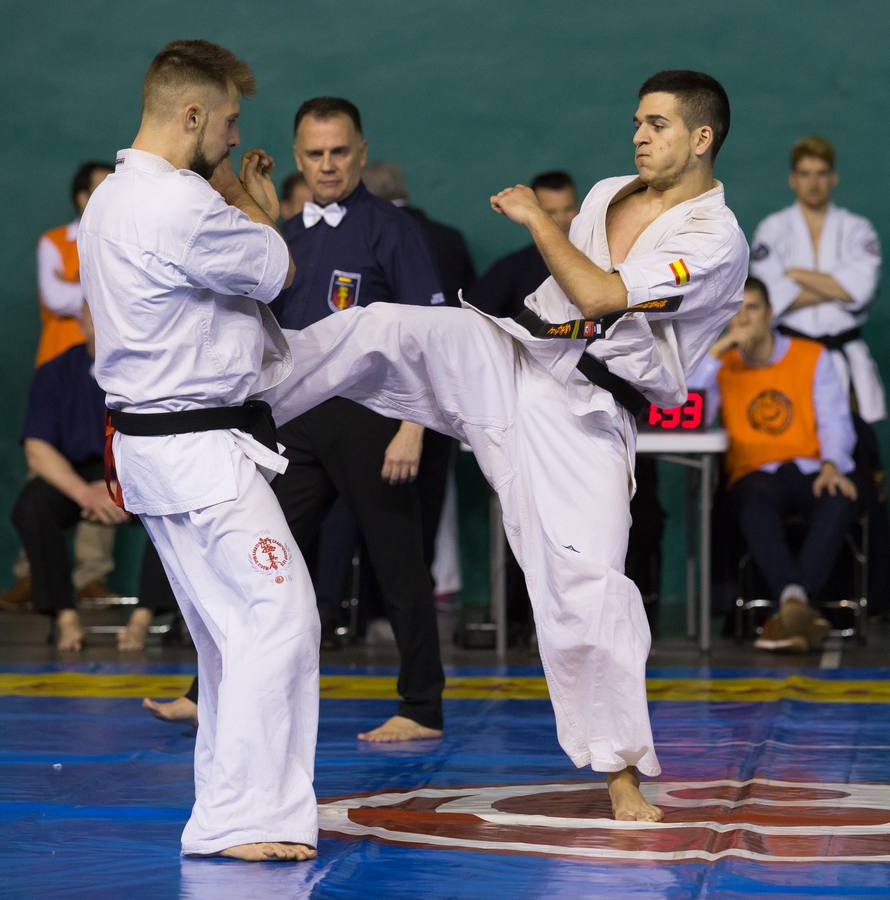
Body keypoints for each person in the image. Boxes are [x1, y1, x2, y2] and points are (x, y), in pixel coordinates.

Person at [259, 70, 749, 822]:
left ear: (702, 137)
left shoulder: (714, 239)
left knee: (586, 588)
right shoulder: (610, 190)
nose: (639, 136)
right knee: (383, 325)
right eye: (637, 122)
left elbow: (599, 296)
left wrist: (534, 218)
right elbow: (562, 300)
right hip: (515, 358)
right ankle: (242, 402)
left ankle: (621, 773)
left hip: (586, 416)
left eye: (656, 124)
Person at [78, 40, 318, 862]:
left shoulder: (108, 198)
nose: (231, 136)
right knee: (280, 617)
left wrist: (231, 201)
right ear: (191, 115)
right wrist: (252, 206)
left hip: (159, 448)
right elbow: (278, 266)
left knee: (231, 635)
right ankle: (238, 819)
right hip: (198, 451)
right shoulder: (182, 205)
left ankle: (231, 810)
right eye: (227, 121)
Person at [696, 277, 857, 652]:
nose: (744, 319)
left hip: (810, 468)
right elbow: (690, 411)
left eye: (752, 308)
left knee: (839, 498)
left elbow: (835, 420)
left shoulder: (812, 356)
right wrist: (717, 352)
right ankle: (801, 610)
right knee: (752, 503)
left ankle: (790, 607)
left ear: (769, 313)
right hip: (754, 474)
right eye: (734, 311)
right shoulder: (722, 364)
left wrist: (833, 464)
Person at [11, 302, 177, 651]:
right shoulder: (55, 372)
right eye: (94, 317)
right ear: (81, 321)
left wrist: (118, 484)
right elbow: (38, 450)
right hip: (79, 476)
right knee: (33, 506)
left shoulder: (151, 371)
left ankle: (142, 619)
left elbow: (166, 443)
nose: (103, 326)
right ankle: (64, 617)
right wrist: (85, 493)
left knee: (175, 507)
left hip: (136, 472)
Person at [1, 162, 117, 614]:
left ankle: (90, 579)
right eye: (99, 189)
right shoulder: (55, 242)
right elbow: (57, 296)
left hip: (113, 367)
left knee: (107, 463)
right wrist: (97, 293)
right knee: (46, 475)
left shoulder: (121, 238)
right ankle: (33, 576)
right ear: (80, 197)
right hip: (63, 367)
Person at [750, 136, 883, 423]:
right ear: (792, 179)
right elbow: (769, 298)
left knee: (854, 451)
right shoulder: (772, 229)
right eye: (805, 174)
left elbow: (862, 289)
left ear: (833, 178)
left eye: (821, 173)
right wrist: (838, 287)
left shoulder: (859, 229)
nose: (813, 182)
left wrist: (796, 275)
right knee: (790, 441)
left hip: (843, 355)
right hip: (790, 352)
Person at [469, 170, 579, 317]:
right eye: (551, 211)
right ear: (534, 212)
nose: (563, 219)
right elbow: (475, 312)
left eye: (569, 209)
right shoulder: (512, 267)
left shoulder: (601, 257)